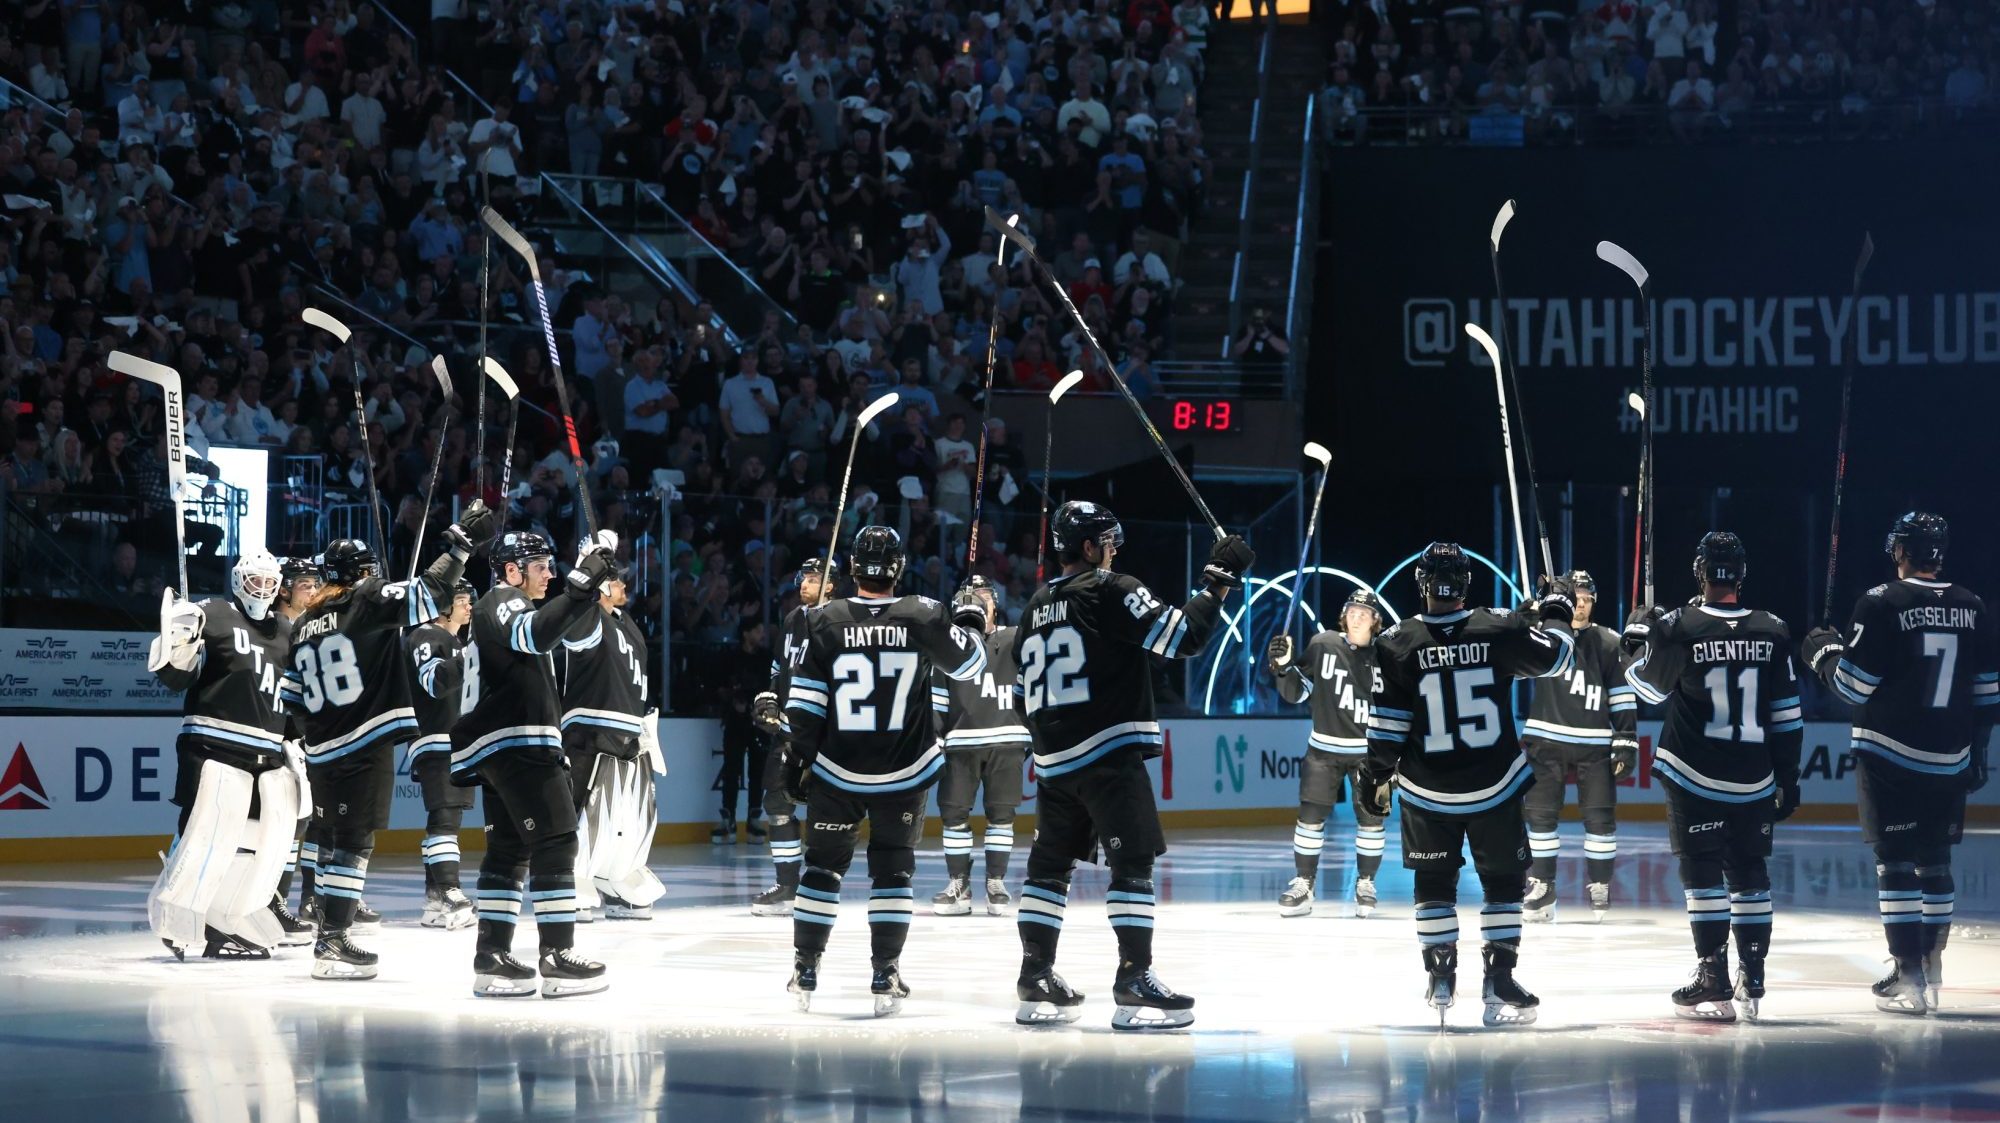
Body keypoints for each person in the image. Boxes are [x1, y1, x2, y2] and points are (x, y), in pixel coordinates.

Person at [1010, 501, 1253, 1030]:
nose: (1115, 551)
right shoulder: (1111, 587)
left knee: (1049, 869)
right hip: (1107, 754)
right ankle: (1133, 978)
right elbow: (1181, 638)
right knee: (1132, 864)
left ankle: (1035, 976)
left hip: (1053, 764)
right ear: (1093, 546)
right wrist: (1217, 586)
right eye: (1110, 542)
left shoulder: (1034, 605)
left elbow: (1018, 694)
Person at [1359, 543, 1576, 1028]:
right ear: (1466, 583)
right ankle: (1499, 982)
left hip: (1426, 787)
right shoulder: (1498, 628)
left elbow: (1387, 725)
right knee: (1503, 882)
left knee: (1433, 881)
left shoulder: (1397, 641)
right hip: (1493, 783)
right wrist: (1557, 611)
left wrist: (1374, 775)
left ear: (1420, 582)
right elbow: (1558, 659)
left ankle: (1440, 975)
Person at [778, 526, 988, 1015]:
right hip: (903, 773)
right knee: (893, 872)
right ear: (898, 567)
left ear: (852, 568)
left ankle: (805, 966)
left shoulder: (823, 619)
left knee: (822, 869)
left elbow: (805, 709)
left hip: (837, 770)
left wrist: (798, 759)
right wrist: (971, 619)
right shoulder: (923, 613)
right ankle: (884, 972)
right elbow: (973, 665)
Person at [282, 509, 492, 981]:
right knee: (355, 844)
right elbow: (429, 592)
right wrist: (460, 545)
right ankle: (333, 939)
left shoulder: (302, 625)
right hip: (363, 745)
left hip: (322, 751)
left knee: (336, 841)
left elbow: (291, 697)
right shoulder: (365, 599)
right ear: (362, 573)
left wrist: (322, 733)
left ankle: (327, 929)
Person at [1801, 513, 1997, 1015]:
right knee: (1936, 861)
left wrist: (1823, 653)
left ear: (1899, 550)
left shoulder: (1882, 601)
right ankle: (1931, 963)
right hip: (1950, 755)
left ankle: (1907, 974)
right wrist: (1979, 751)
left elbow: (1852, 687)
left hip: (1891, 754)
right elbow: (1987, 692)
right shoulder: (1972, 606)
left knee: (1895, 862)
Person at [1623, 532, 1803, 1023]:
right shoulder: (1773, 629)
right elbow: (1787, 714)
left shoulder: (1679, 625)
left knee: (1702, 873)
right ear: (1741, 575)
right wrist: (1787, 774)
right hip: (1753, 777)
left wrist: (1636, 641)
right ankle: (1755, 972)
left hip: (1693, 773)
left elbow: (1649, 690)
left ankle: (1713, 975)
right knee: (1750, 874)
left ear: (1700, 572)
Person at [452, 530, 616, 998]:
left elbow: (573, 635)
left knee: (508, 850)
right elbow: (538, 632)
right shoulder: (503, 600)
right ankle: (557, 955)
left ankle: (491, 957)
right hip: (517, 742)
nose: (550, 573)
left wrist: (587, 582)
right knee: (557, 838)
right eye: (540, 566)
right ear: (510, 572)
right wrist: (583, 581)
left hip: (498, 744)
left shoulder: (502, 607)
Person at [147, 550, 302, 959]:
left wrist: (297, 743)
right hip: (210, 745)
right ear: (238, 581)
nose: (262, 590)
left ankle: (224, 918)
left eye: (270, 583)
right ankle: (178, 910)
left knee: (253, 842)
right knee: (202, 832)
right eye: (255, 581)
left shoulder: (288, 631)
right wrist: (175, 645)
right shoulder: (210, 614)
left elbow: (293, 700)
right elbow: (175, 677)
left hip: (266, 755)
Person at [1521, 570, 1639, 922]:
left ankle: (1600, 885)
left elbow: (1622, 694)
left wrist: (1626, 740)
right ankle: (1543, 885)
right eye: (1577, 598)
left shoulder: (1607, 641)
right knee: (1540, 813)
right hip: (1546, 735)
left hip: (1593, 741)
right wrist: (1527, 615)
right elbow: (1514, 648)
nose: (1582, 605)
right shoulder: (1546, 633)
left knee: (1600, 814)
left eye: (1588, 599)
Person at [1266, 588, 1387, 918]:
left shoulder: (1388, 654)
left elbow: (1400, 704)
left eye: (1364, 611)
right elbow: (1297, 692)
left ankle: (1366, 882)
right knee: (1309, 819)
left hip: (1371, 753)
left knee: (1372, 821)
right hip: (1323, 749)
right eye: (1352, 609)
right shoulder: (1323, 644)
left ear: (1376, 620)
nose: (1356, 614)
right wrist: (1282, 667)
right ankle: (1304, 883)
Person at [558, 561, 664, 921]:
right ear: (600, 588)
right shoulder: (587, 618)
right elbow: (574, 613)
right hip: (591, 728)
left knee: (630, 813)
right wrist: (586, 571)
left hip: (631, 730)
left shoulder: (625, 622)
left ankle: (617, 879)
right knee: (587, 808)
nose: (625, 586)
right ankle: (573, 879)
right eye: (617, 581)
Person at [930, 577, 1031, 917]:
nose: (975, 601)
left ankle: (996, 882)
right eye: (966, 597)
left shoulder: (1016, 638)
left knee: (1002, 816)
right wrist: (935, 737)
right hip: (961, 742)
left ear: (995, 603)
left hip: (1007, 739)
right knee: (953, 815)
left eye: (983, 596)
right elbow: (937, 699)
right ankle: (959, 883)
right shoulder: (948, 644)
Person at [749, 558, 837, 916]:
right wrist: (770, 696)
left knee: (824, 809)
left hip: (824, 732)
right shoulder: (792, 619)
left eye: (814, 579)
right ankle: (787, 884)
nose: (805, 584)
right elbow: (779, 669)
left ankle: (819, 884)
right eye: (803, 576)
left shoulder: (835, 621)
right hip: (787, 729)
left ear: (830, 585)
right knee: (776, 803)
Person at [406, 578, 476, 930]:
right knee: (445, 818)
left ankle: (435, 899)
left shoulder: (451, 640)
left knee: (447, 818)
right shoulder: (427, 636)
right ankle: (448, 890)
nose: (468, 606)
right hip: (437, 739)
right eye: (461, 599)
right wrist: (471, 655)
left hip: (451, 740)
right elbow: (434, 682)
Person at [273, 555, 323, 933]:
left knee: (305, 822)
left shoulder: (309, 628)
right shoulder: (273, 628)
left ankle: (297, 899)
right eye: (305, 584)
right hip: (274, 738)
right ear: (284, 588)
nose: (314, 591)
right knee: (282, 825)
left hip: (302, 739)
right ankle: (270, 902)